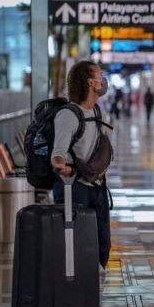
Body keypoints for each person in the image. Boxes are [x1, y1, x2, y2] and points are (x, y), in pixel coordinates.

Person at [50, 60, 112, 269]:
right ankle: (76, 287)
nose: (103, 80)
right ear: (90, 83)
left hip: (97, 187)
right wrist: (63, 167)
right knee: (76, 243)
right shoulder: (68, 115)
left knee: (102, 243)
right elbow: (57, 154)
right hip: (74, 188)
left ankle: (93, 286)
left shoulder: (98, 112)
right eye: (99, 75)